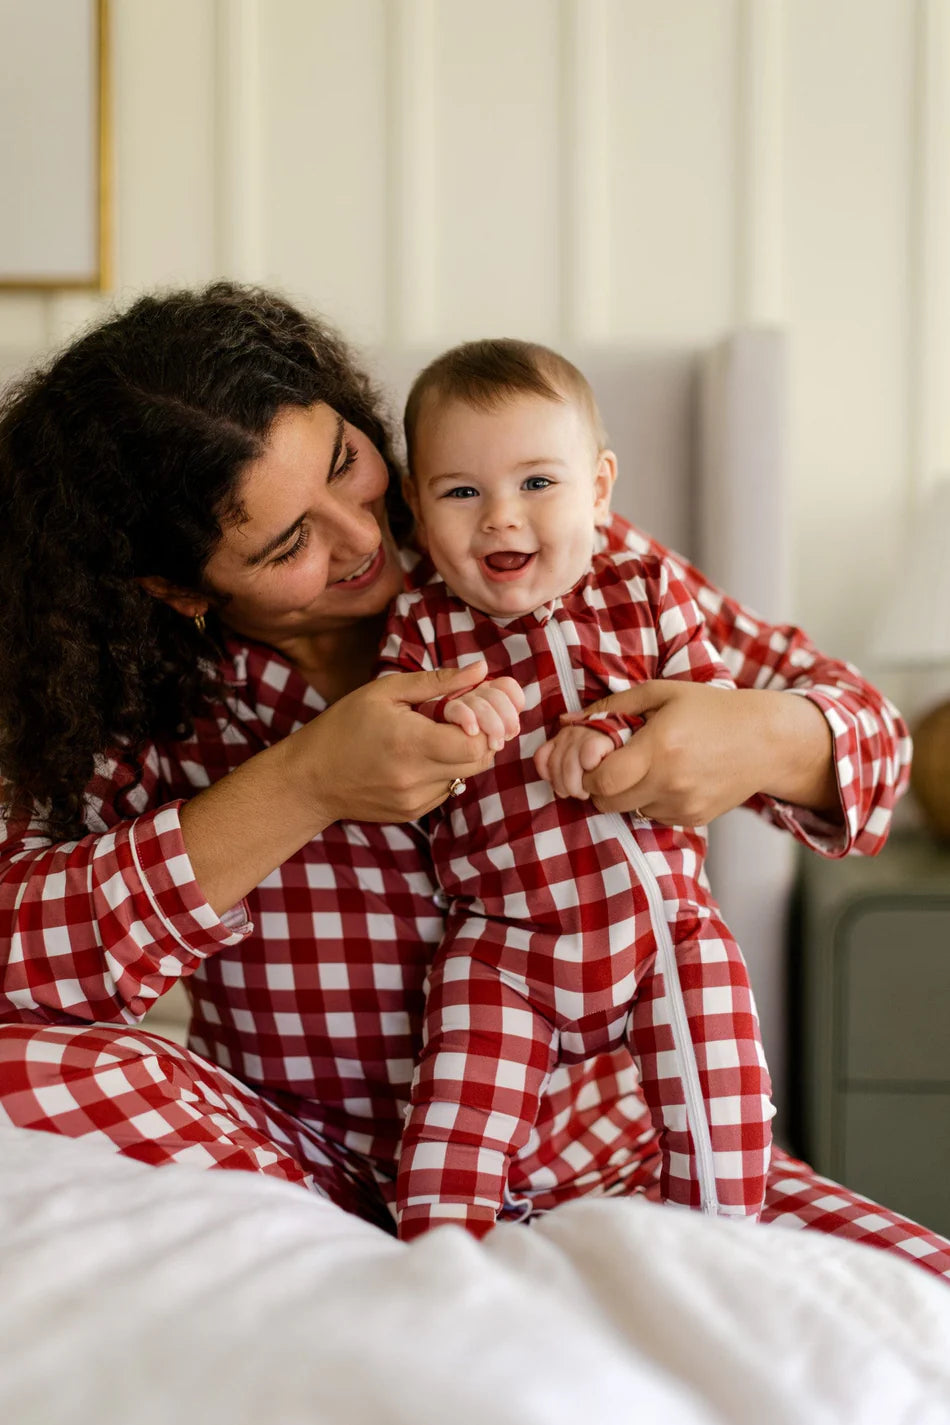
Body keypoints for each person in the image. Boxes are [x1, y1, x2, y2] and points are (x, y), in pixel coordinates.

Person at [0, 282, 946, 1282]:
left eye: (345, 466)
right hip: (299, 1176)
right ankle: (392, 1295)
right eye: (289, 545)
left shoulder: (536, 547)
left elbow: (873, 736)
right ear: (178, 587)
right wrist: (303, 786)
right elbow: (20, 962)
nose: (364, 540)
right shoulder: (127, 697)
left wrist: (766, 739)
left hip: (615, 1152)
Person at [381, 339, 774, 1241]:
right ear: (415, 506)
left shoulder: (646, 589)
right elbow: (396, 738)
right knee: (458, 1116)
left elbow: (711, 705)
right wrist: (459, 715)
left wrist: (614, 726)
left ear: (600, 488)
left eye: (537, 484)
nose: (500, 520)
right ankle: (443, 1260)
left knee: (721, 1087)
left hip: (663, 922)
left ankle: (719, 1248)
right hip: (507, 938)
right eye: (461, 492)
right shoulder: (425, 625)